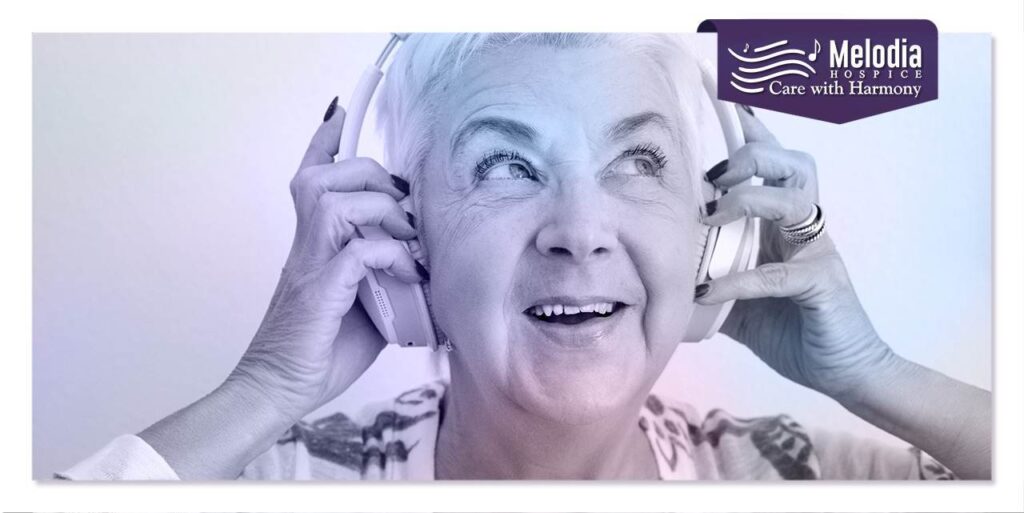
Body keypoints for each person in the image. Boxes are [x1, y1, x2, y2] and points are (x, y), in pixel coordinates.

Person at [59, 33, 990, 481]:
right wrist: (265, 386)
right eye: (506, 164)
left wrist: (873, 372)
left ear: (719, 231)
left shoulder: (806, 481)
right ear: (401, 230)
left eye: (637, 161)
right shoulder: (267, 482)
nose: (578, 231)